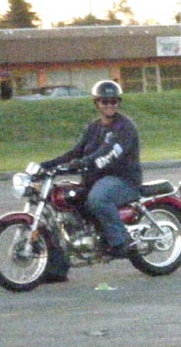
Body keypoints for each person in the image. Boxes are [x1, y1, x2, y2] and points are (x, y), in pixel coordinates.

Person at [39, 80, 142, 281]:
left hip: (123, 180)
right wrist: (47, 165)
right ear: (96, 103)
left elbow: (109, 153)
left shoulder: (125, 127)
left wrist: (84, 163)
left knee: (98, 198)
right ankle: (57, 268)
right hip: (95, 180)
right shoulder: (93, 127)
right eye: (105, 101)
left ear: (119, 102)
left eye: (113, 101)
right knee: (60, 208)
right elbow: (75, 151)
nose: (109, 105)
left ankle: (120, 242)